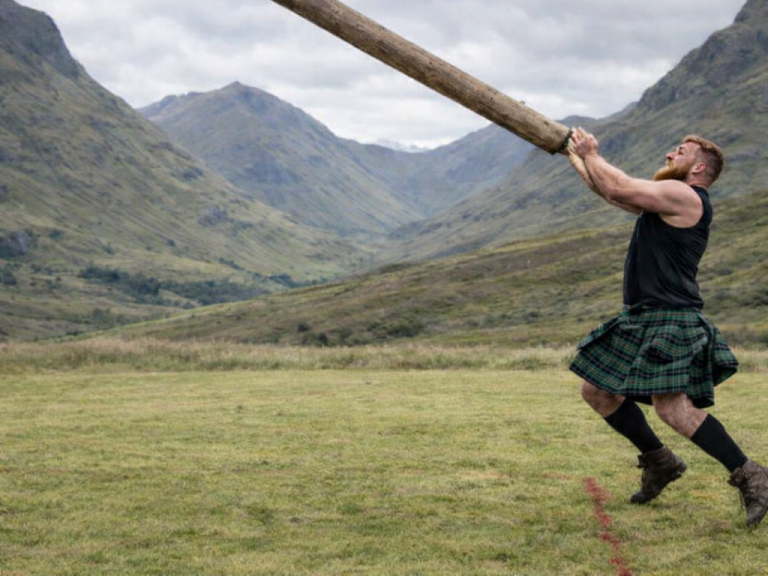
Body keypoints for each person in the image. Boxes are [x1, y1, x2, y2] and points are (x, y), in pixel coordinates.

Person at [566, 127, 768, 526]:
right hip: (643, 315)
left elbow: (620, 188)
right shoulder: (664, 203)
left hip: (671, 317)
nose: (669, 152)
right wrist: (576, 156)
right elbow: (611, 192)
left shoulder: (685, 195)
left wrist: (591, 151)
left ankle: (754, 476)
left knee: (674, 409)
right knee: (598, 391)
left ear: (698, 167)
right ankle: (660, 462)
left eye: (680, 151)